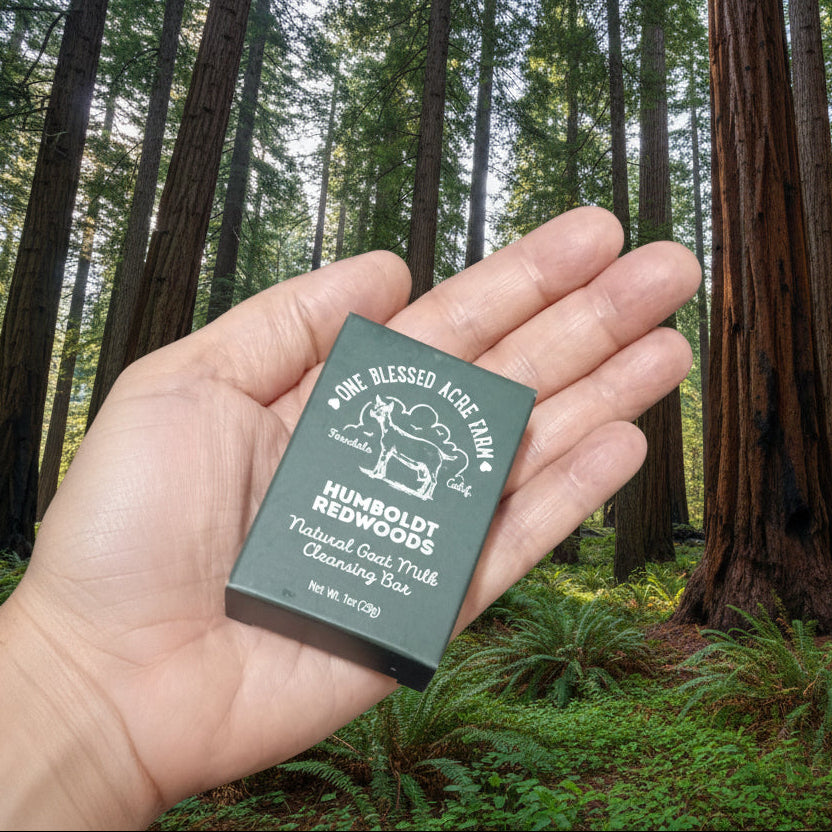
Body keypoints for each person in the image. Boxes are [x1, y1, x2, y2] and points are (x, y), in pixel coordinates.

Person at [0, 208, 699, 829]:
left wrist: (87, 704)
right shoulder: (370, 421)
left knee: (419, 466)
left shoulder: (413, 434)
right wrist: (75, 665)